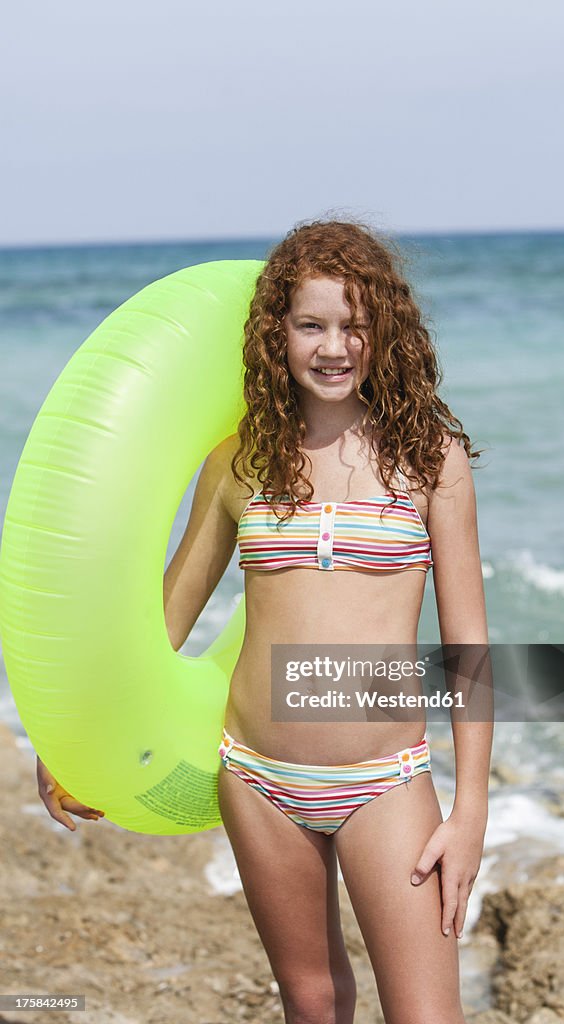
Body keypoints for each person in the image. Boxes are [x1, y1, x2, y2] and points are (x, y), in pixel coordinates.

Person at [37, 218, 493, 1024]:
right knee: (312, 1003)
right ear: (274, 334)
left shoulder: (429, 458)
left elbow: (467, 647)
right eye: (310, 324)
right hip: (256, 778)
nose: (333, 347)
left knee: (426, 1015)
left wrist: (469, 815)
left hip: (382, 782)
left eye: (354, 325)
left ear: (385, 330)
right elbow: (167, 615)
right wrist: (76, 742)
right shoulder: (241, 460)